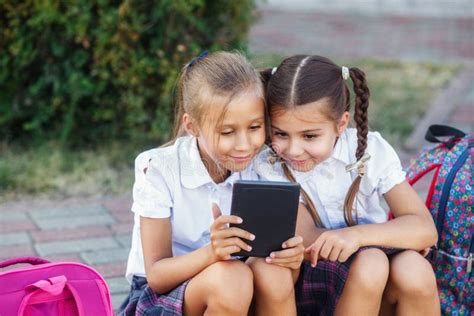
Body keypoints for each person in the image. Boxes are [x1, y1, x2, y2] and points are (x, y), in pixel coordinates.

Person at [119, 51, 304, 316]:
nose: (244, 145)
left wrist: (291, 260)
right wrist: (212, 253)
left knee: (272, 272)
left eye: (255, 127)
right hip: (164, 295)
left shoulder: (267, 164)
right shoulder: (159, 168)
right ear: (192, 126)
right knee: (231, 279)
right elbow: (157, 275)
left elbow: (283, 278)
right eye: (227, 132)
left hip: (240, 284)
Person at [255, 55, 440, 315]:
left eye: (310, 136)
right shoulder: (270, 164)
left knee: (415, 270)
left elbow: (423, 228)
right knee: (372, 262)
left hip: (372, 265)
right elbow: (306, 238)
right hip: (309, 273)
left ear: (341, 124)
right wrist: (386, 238)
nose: (294, 150)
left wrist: (356, 236)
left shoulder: (369, 150)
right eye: (281, 133)